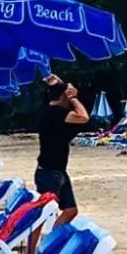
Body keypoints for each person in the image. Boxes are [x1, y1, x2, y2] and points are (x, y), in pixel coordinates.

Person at [34, 75, 89, 228]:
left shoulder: (48, 111)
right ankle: (33, 249)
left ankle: (52, 240)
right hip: (49, 172)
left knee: (70, 210)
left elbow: (59, 89)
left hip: (56, 170)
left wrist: (58, 82)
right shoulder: (55, 113)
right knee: (43, 213)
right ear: (63, 97)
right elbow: (84, 117)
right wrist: (73, 98)